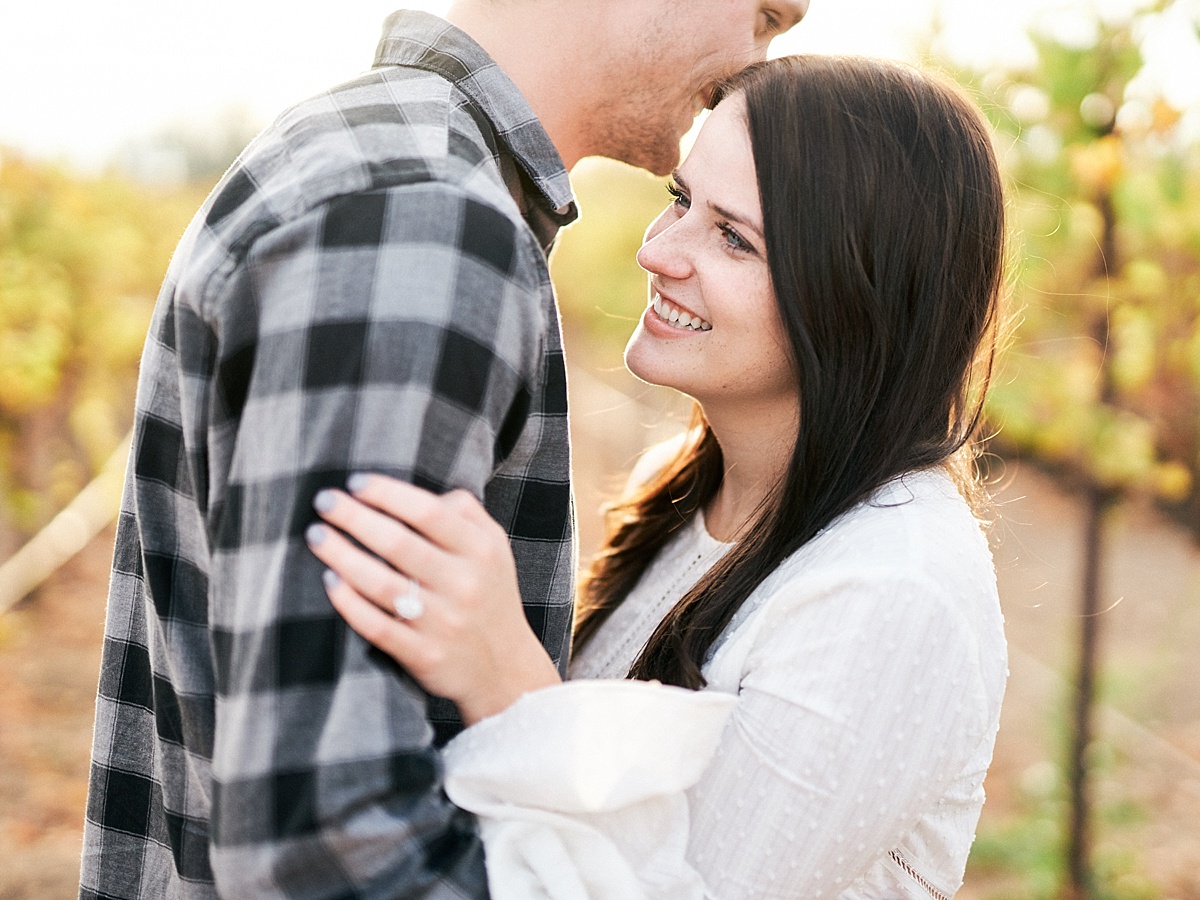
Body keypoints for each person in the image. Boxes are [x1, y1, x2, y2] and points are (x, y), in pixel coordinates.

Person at [79, 2, 810, 898]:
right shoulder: (424, 220)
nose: (758, 58)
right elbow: (329, 850)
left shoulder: (376, 155)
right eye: (768, 13)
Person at [306, 54, 1010, 899]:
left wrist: (504, 680)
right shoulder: (693, 493)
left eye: (733, 237)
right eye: (680, 201)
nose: (656, 251)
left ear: (857, 296)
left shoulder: (895, 588)